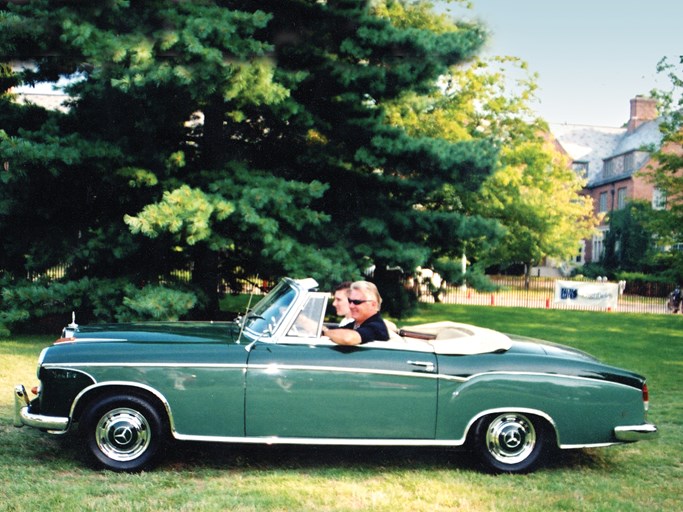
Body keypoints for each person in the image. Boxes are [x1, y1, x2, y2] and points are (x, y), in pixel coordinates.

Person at [322, 281, 390, 345]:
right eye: (349, 301)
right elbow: (338, 330)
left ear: (373, 305)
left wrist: (325, 332)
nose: (351, 306)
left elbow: (348, 338)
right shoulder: (356, 324)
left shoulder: (376, 326)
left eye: (357, 302)